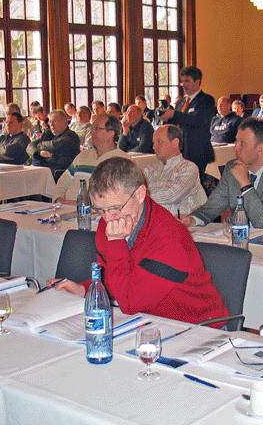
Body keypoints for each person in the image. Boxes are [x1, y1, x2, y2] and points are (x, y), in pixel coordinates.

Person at [53, 157, 229, 326]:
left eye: (115, 208)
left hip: (199, 328)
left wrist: (116, 242)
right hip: (150, 322)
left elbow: (130, 303)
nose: (108, 218)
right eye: (100, 210)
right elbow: (114, 278)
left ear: (140, 194)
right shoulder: (110, 224)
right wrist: (84, 290)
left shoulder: (169, 237)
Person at [182, 119, 263, 231]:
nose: (236, 147)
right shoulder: (232, 167)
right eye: (236, 141)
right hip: (239, 237)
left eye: (242, 143)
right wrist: (192, 219)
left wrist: (245, 184)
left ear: (260, 149)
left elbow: (262, 221)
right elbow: (212, 206)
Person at [53, 113, 127, 201]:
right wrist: (58, 199)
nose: (91, 132)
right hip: (64, 206)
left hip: (91, 209)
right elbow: (62, 183)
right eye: (92, 128)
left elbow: (114, 199)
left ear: (111, 133)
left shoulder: (121, 161)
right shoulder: (83, 155)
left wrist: (81, 205)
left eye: (96, 128)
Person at [159, 66, 216, 179]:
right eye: (182, 81)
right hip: (181, 151)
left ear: (197, 82)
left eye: (187, 81)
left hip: (197, 150)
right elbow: (177, 122)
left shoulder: (206, 100)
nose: (183, 84)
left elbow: (198, 120)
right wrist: (166, 119)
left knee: (194, 182)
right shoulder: (181, 102)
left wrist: (174, 114)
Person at [144, 125, 207, 216]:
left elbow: (172, 196)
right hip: (155, 220)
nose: (154, 147)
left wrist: (141, 196)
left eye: (159, 142)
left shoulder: (188, 168)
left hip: (183, 222)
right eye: (154, 143)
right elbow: (136, 188)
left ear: (175, 143)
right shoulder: (150, 170)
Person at [26, 110, 80, 181]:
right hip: (41, 170)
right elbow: (30, 146)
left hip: (58, 175)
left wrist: (39, 145)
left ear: (64, 122)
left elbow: (53, 146)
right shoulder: (49, 134)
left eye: (54, 121)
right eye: (50, 122)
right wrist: (38, 153)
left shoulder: (71, 136)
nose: (51, 125)